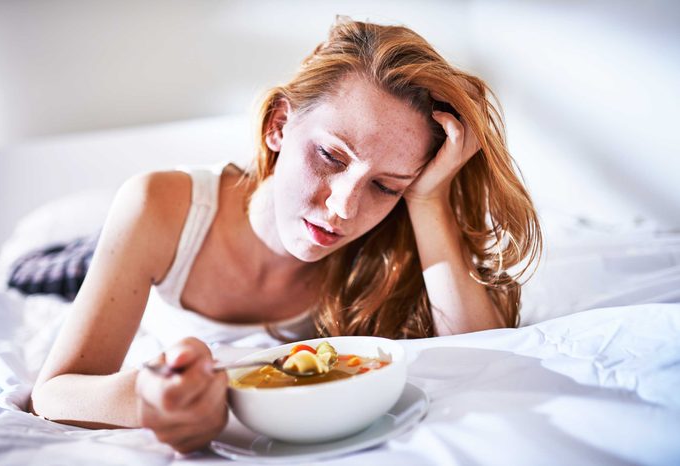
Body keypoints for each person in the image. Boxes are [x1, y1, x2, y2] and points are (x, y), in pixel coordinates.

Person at [29, 17, 541, 453]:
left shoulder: (390, 241)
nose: (343, 208)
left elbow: (481, 356)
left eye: (385, 185)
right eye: (330, 157)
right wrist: (148, 399)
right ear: (278, 124)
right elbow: (53, 392)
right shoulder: (158, 205)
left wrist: (426, 199)